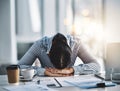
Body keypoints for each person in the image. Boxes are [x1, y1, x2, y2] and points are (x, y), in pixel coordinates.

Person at [18, 33, 100, 77]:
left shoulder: (76, 44)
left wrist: (71, 70)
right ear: (48, 53)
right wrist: (44, 71)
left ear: (71, 51)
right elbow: (17, 68)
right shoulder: (39, 45)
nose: (59, 72)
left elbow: (97, 66)